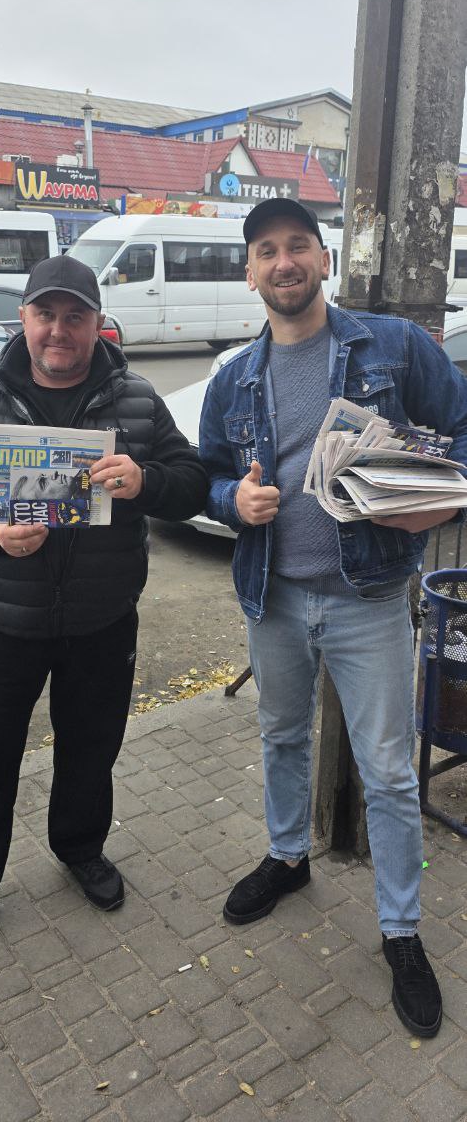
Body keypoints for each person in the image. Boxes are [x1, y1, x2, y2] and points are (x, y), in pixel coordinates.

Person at [199, 197, 467, 1040]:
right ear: (250, 273)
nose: (283, 263)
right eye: (266, 252)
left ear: (323, 258)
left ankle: (400, 930)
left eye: (297, 247)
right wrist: (230, 500)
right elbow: (202, 476)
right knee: (280, 737)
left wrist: (437, 504)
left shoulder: (392, 347)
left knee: (386, 772)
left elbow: (461, 432)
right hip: (272, 597)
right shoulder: (233, 376)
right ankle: (287, 859)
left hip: (369, 601)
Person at [0, 254, 208, 966]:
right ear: (25, 320)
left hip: (101, 624)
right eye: (46, 314)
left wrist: (144, 481)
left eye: (75, 316)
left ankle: (80, 849)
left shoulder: (134, 398)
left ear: (98, 324)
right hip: (1, 623)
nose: (59, 331)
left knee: (90, 751)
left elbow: (191, 481)